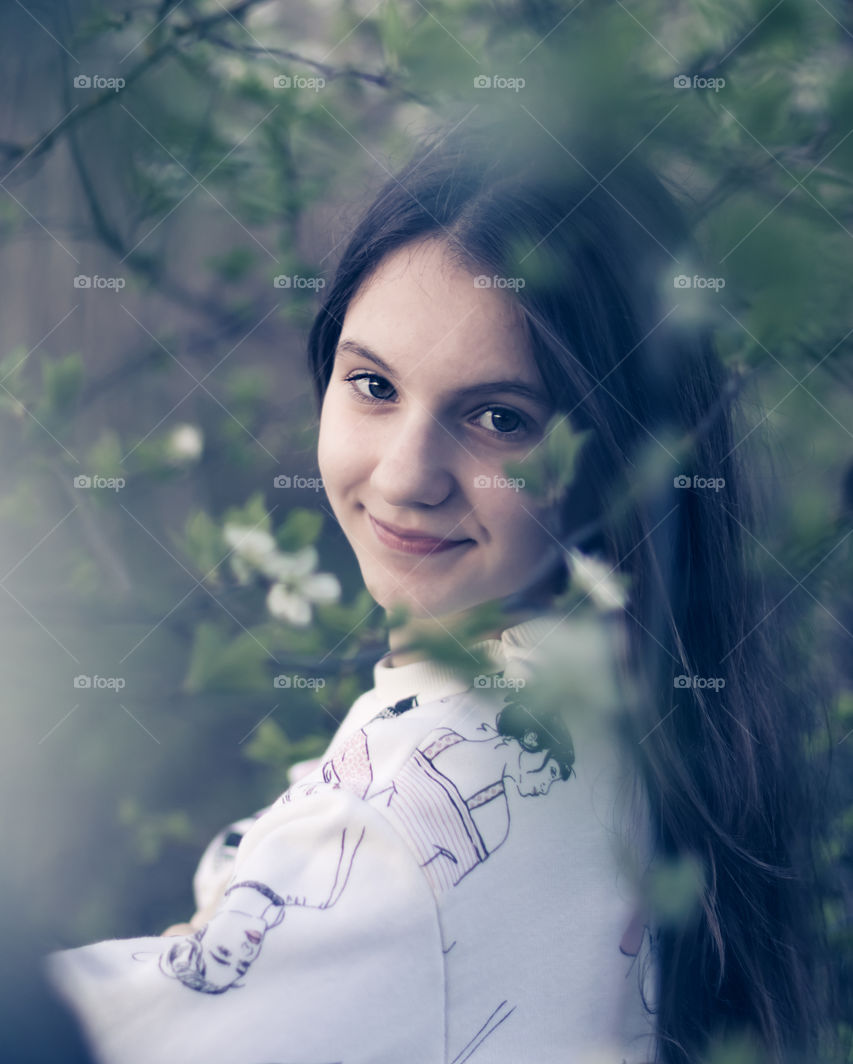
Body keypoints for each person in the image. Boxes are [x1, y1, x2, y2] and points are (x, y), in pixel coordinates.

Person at [43, 116, 832, 1063]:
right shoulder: (639, 704)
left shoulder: (410, 813)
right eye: (373, 386)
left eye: (500, 419)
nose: (408, 473)